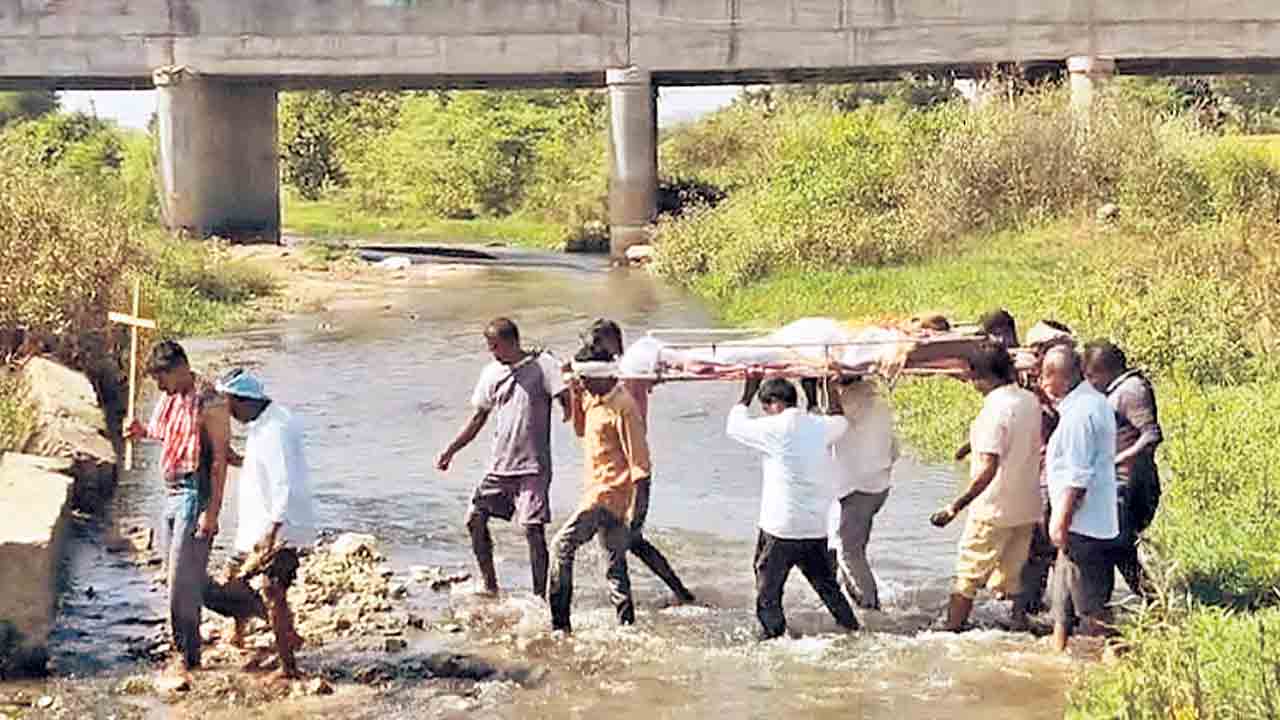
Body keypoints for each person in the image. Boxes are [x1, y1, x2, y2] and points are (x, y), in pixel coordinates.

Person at [436, 318, 568, 598]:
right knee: (474, 519)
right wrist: (451, 450)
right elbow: (478, 418)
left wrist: (573, 413)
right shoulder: (491, 374)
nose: (493, 352)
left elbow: (565, 398)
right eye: (490, 347)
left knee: (533, 530)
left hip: (533, 467)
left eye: (496, 346)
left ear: (512, 342)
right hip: (500, 466)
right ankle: (490, 585)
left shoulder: (543, 365)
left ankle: (539, 597)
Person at [124, 340, 231, 684]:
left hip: (193, 493)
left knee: (179, 582)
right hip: (169, 492)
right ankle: (243, 608)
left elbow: (218, 462)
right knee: (187, 577)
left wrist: (211, 512)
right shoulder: (170, 398)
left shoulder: (210, 401)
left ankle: (187, 656)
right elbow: (163, 433)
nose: (159, 386)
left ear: (181, 368)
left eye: (162, 378)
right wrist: (140, 431)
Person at [572, 319, 696, 605]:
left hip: (624, 473)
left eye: (595, 342)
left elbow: (638, 456)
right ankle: (681, 594)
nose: (590, 347)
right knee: (633, 544)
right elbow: (581, 428)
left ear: (611, 342)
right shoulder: (599, 384)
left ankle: (628, 614)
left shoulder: (623, 378)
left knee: (617, 549)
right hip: (606, 475)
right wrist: (576, 389)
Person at [202, 369, 316, 680]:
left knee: (271, 591)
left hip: (280, 528)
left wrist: (272, 534)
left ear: (239, 400)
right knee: (233, 577)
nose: (227, 413)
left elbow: (284, 483)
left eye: (227, 405)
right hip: (260, 524)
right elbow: (263, 467)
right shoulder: (267, 422)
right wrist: (234, 459)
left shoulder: (274, 430)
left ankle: (288, 665)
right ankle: (242, 633)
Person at [727, 375, 859, 640]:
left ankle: (774, 640)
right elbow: (840, 421)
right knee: (828, 588)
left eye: (765, 407)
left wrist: (746, 393)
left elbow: (733, 426)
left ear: (773, 403)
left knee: (768, 593)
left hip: (780, 530)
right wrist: (830, 389)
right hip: (814, 528)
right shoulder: (818, 426)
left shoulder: (772, 428)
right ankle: (853, 630)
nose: (765, 413)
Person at [930, 342, 1044, 632]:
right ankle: (1017, 626)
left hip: (993, 509)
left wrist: (954, 506)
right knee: (1010, 577)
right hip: (1026, 507)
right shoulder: (1029, 401)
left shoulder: (994, 410)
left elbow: (988, 469)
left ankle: (951, 629)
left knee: (968, 574)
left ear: (980, 376)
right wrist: (971, 445)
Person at [547, 346, 648, 632]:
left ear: (601, 376)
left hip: (606, 495)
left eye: (585, 379)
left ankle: (559, 625)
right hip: (601, 492)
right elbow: (580, 430)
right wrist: (575, 390)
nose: (582, 384)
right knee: (615, 568)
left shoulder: (624, 407)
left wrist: (638, 521)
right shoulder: (592, 398)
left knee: (561, 546)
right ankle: (627, 627)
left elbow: (641, 468)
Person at [1040, 345, 1119, 653]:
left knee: (1092, 609)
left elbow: (1078, 476)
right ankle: (1056, 656)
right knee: (1061, 604)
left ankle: (1126, 659)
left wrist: (1060, 521)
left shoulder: (1079, 415)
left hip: (1082, 525)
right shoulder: (1091, 402)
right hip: (1089, 520)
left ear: (1062, 375)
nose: (1043, 382)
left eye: (1047, 375)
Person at [1083, 340, 1163, 597]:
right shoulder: (1117, 390)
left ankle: (1153, 603)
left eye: (1092, 376)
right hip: (1117, 483)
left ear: (1105, 370)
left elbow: (1151, 436)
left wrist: (1115, 461)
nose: (1091, 382)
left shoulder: (1132, 390)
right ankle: (1149, 605)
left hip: (1130, 484)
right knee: (1116, 547)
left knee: (1117, 547)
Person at [824, 375, 898, 611]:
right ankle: (848, 599)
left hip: (858, 489)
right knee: (842, 546)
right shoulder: (876, 400)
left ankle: (870, 608)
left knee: (849, 552)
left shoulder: (849, 402)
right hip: (876, 486)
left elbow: (832, 423)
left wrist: (823, 390)